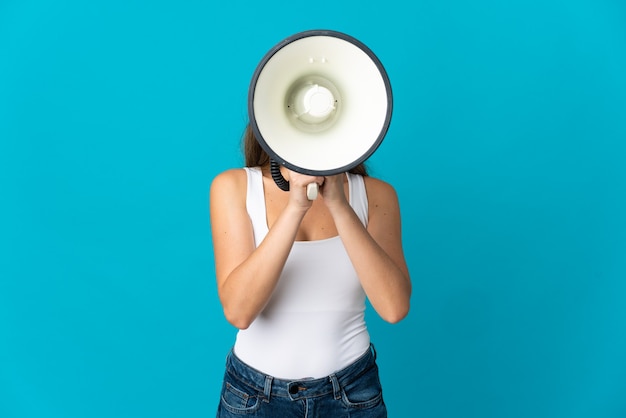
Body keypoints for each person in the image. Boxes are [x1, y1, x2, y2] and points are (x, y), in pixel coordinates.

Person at [210, 124, 411, 417]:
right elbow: (239, 312)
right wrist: (295, 208)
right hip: (254, 398)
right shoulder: (235, 187)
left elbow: (394, 308)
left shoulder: (377, 195)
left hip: (351, 394)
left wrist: (340, 205)